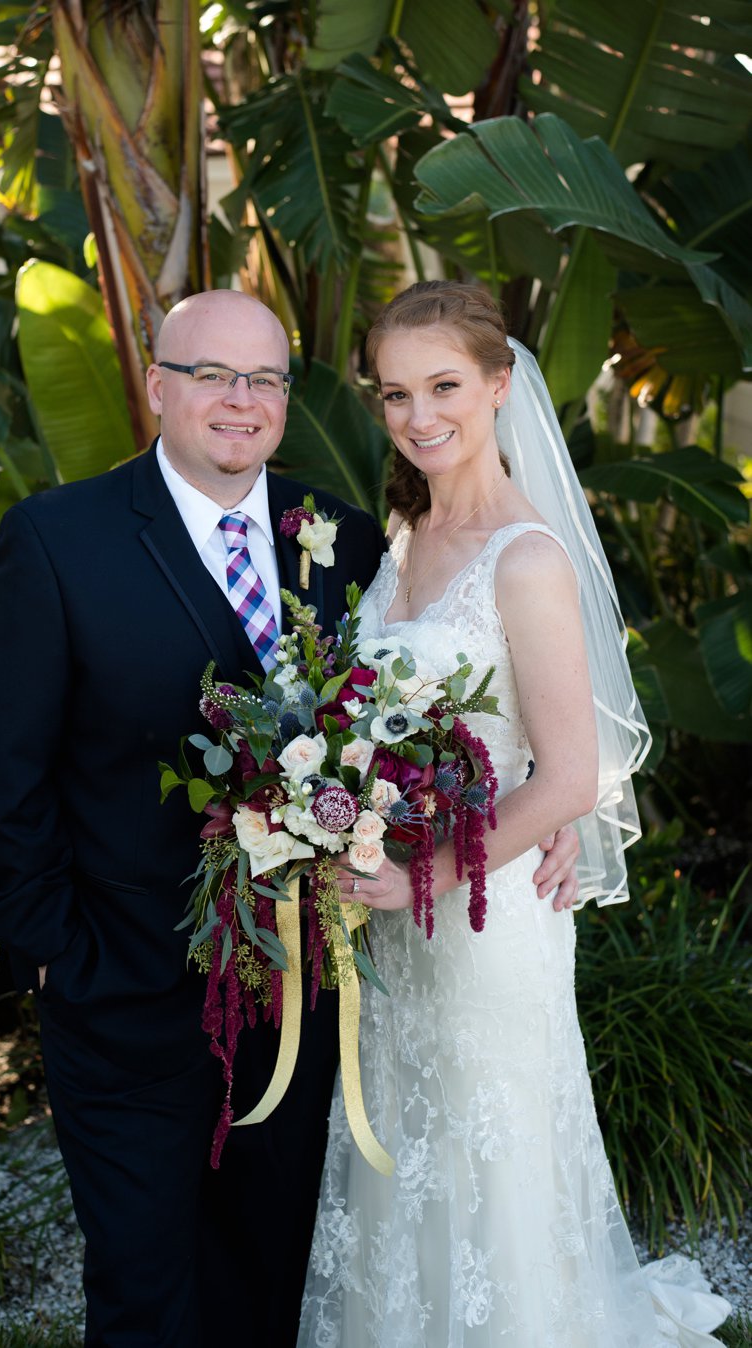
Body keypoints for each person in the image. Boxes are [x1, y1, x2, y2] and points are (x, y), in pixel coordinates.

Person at [0, 288, 580, 1348]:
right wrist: (54, 951)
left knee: (272, 1283)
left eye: (265, 379)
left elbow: (426, 720)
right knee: (147, 1290)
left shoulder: (335, 535)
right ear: (157, 385)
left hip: (317, 990)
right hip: (126, 989)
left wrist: (520, 805)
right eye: (210, 374)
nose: (239, 401)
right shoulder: (59, 540)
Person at [297, 281, 731, 1348]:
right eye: (395, 392)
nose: (417, 415)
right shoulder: (401, 535)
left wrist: (421, 873)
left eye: (443, 385)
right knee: (401, 1147)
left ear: (499, 386)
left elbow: (569, 776)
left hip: (482, 915)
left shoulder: (525, 558)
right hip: (393, 909)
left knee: (489, 1163)